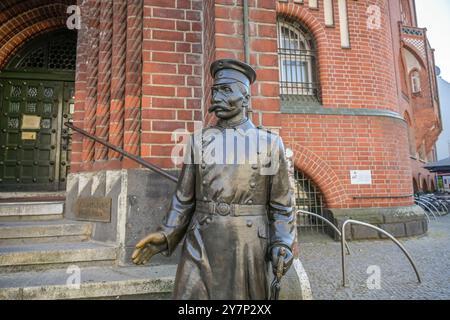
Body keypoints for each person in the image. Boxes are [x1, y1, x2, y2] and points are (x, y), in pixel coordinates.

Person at [132, 59, 295, 300]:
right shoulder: (198, 141)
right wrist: (166, 234)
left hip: (246, 245)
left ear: (245, 98)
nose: (217, 96)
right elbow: (183, 199)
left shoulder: (269, 143)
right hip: (201, 242)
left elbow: (282, 205)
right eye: (215, 90)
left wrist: (282, 242)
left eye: (226, 90)